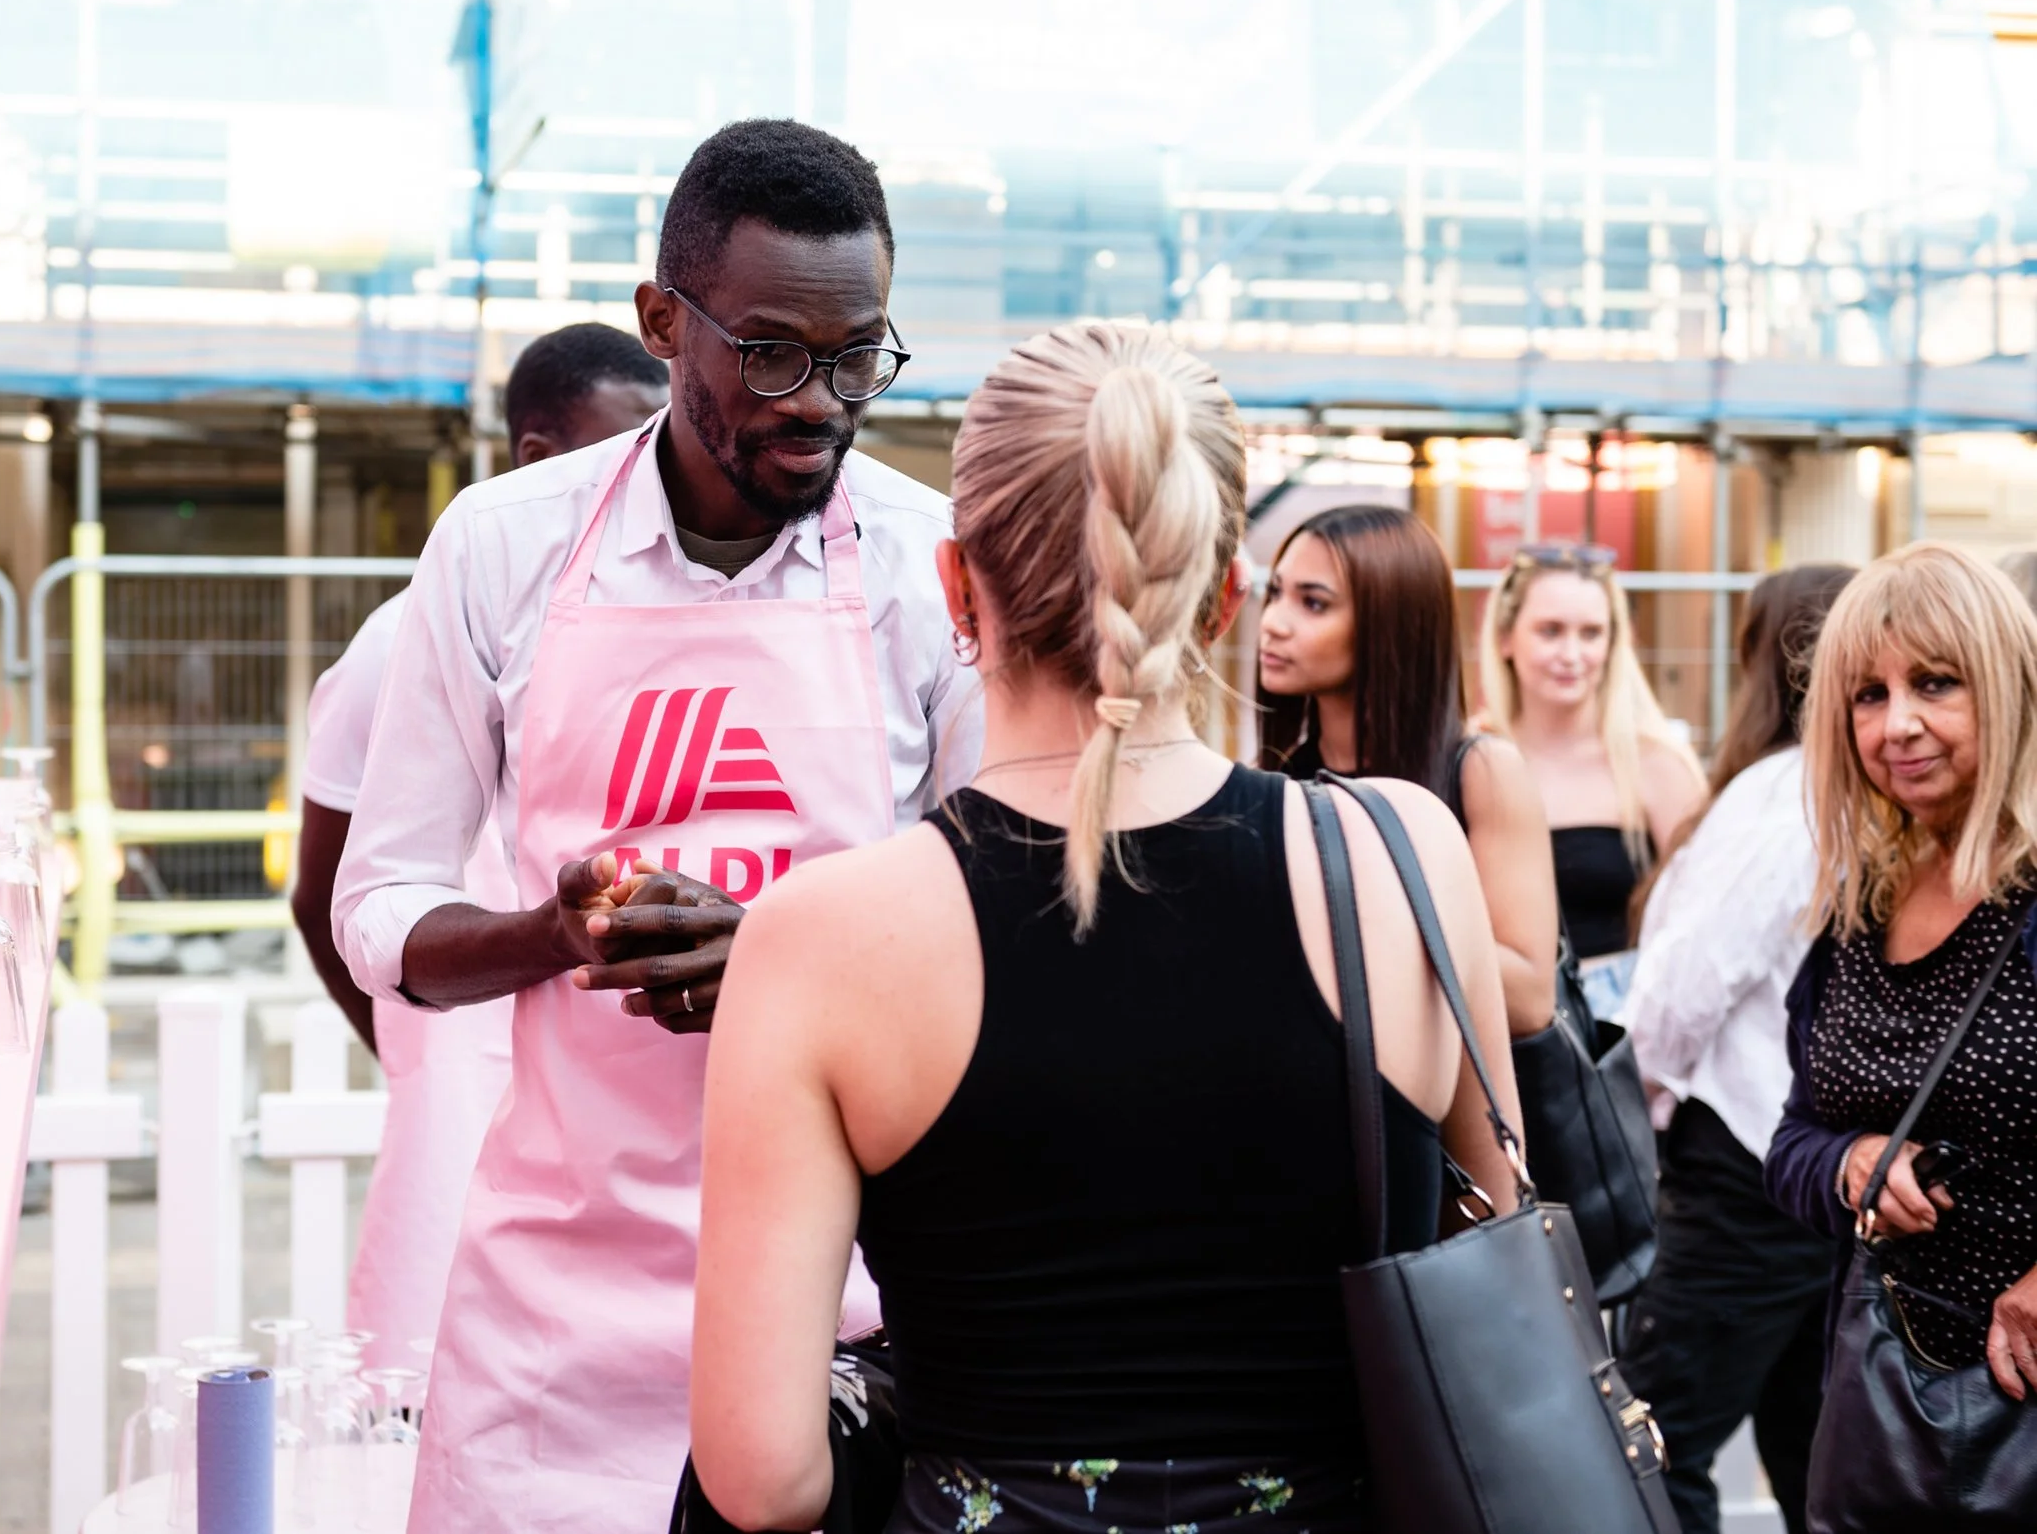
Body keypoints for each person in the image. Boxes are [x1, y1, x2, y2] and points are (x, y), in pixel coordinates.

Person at [690, 324, 1522, 1534]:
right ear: (1224, 592)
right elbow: (1492, 1264)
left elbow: (764, 1476)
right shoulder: (1400, 852)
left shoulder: (822, 935)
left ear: (956, 585)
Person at [330, 118, 979, 1534]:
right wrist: (549, 932)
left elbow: (1001, 936)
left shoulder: (931, 570)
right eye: (769, 352)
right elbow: (379, 910)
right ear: (662, 321)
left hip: (848, 1313)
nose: (819, 400)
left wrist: (792, 959)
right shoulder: (502, 543)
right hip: (552, 1326)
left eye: (858, 353)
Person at [289, 322, 666, 1355]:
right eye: (621, 451)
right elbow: (325, 896)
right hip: (463, 1095)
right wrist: (415, 1045)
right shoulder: (395, 642)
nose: (652, 481)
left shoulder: (633, 631)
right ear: (537, 460)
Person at [1614, 564, 1854, 1534]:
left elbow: (1685, 984)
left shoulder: (1781, 791)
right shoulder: (1836, 793)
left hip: (1744, 1162)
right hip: (1818, 1168)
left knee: (1655, 1442)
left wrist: (1642, 1097)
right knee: (1817, 1452)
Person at [1768, 542, 2037, 1398]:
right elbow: (1792, 1141)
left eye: (1936, 682)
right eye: (1868, 695)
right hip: (1893, 1397)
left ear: (2007, 686)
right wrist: (1853, 1162)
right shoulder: (1862, 905)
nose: (1897, 725)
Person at [1258, 503, 1561, 1035]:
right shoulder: (1279, 784)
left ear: (1390, 621)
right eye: (1275, 593)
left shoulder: (1482, 772)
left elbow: (1528, 997)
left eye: (1313, 603)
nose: (1273, 623)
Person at [1482, 542, 1705, 1015]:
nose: (1572, 654)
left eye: (1591, 633)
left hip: (1624, 1029)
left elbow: (1704, 922)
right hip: (1494, 1024)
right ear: (1505, 638)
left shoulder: (1657, 764)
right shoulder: (1468, 758)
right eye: (1550, 631)